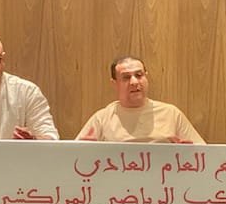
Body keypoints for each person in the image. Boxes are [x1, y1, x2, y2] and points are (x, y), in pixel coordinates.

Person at [75, 56, 205, 144]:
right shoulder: (102, 118)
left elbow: (203, 156)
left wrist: (187, 152)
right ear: (114, 83)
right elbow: (74, 157)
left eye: (139, 75)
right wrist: (86, 151)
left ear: (146, 77)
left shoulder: (171, 114)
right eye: (126, 77)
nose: (134, 82)